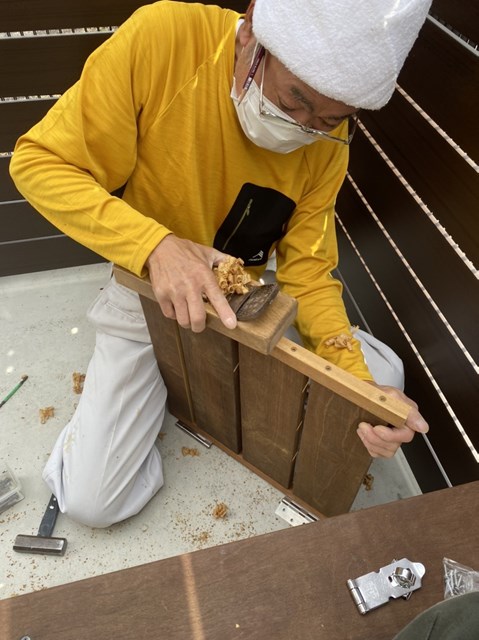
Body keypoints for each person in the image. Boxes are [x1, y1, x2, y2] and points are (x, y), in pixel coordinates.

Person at [10, 0, 432, 527]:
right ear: (252, 29)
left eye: (328, 120)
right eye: (293, 100)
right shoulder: (166, 40)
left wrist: (358, 385)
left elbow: (306, 271)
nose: (302, 128)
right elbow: (40, 163)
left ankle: (217, 380)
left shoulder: (329, 139)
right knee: (93, 501)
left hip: (249, 298)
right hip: (150, 281)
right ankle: (162, 392)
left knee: (382, 379)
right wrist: (156, 246)